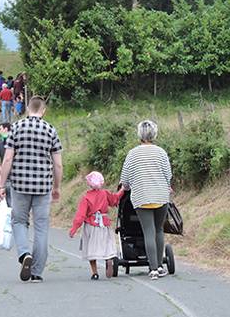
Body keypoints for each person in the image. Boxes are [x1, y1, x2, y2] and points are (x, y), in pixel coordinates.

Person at [0, 96, 63, 283]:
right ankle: (36, 271)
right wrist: (57, 187)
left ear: (28, 108)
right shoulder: (50, 130)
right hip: (43, 186)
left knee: (19, 221)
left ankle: (24, 253)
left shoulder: (16, 128)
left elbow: (8, 159)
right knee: (41, 227)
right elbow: (58, 164)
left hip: (19, 185)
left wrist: (2, 184)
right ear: (43, 110)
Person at [119, 120, 173, 280]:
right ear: (154, 134)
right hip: (161, 196)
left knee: (148, 231)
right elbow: (168, 175)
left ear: (139, 135)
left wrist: (127, 188)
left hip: (142, 197)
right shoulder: (161, 152)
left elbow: (125, 180)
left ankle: (153, 269)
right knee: (158, 230)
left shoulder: (132, 154)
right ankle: (160, 266)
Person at [69, 172, 123, 280]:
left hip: (91, 225)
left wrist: (74, 229)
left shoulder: (86, 197)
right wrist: (122, 190)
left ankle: (95, 273)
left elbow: (81, 215)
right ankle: (108, 259)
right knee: (107, 245)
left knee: (91, 249)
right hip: (104, 223)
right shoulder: (105, 193)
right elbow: (114, 200)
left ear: (89, 183)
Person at [0, 123, 12, 205]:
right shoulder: (18, 140)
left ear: (6, 129)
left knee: (8, 201)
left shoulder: (0, 142)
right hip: (18, 175)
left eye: (0, 129)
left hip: (5, 174)